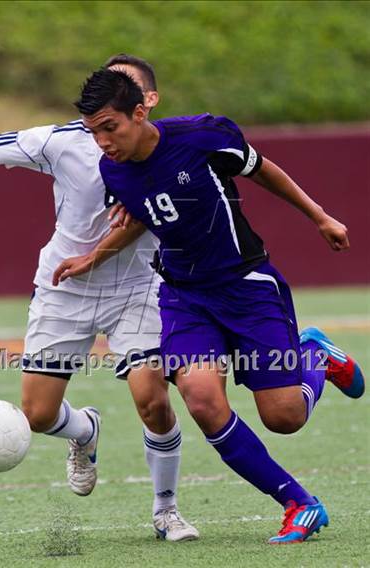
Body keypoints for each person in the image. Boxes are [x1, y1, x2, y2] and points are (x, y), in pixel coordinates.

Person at [69, 68, 365, 544]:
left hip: (246, 285)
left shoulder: (202, 135)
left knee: (284, 419)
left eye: (110, 127)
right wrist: (96, 254)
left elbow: (264, 169)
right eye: (93, 132)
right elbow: (148, 215)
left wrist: (320, 216)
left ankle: (315, 356)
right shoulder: (113, 169)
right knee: (203, 400)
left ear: (140, 112)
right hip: (184, 296)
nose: (103, 141)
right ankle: (299, 503)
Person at [0, 55, 199, 542]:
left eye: (126, 87)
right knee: (39, 416)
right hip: (65, 287)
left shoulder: (172, 148)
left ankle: (166, 509)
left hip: (140, 287)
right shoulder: (62, 141)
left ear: (147, 102)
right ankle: (84, 431)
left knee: (152, 400)